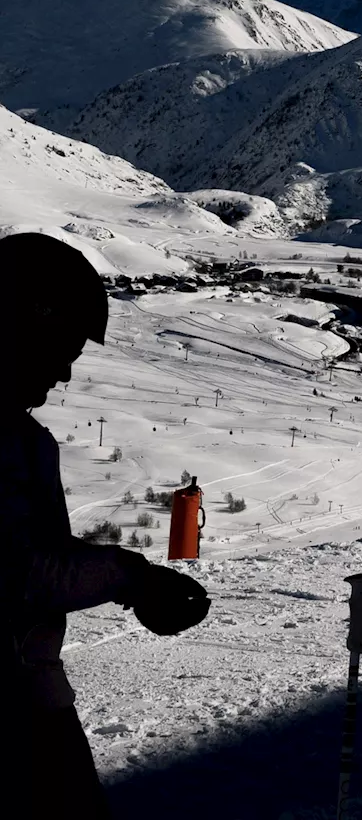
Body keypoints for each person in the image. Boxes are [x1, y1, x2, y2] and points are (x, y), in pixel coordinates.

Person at [0, 233, 209, 817]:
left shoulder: (19, 436)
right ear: (25, 326)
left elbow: (32, 549)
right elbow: (19, 574)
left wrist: (134, 580)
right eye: (62, 348)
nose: (65, 373)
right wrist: (131, 579)